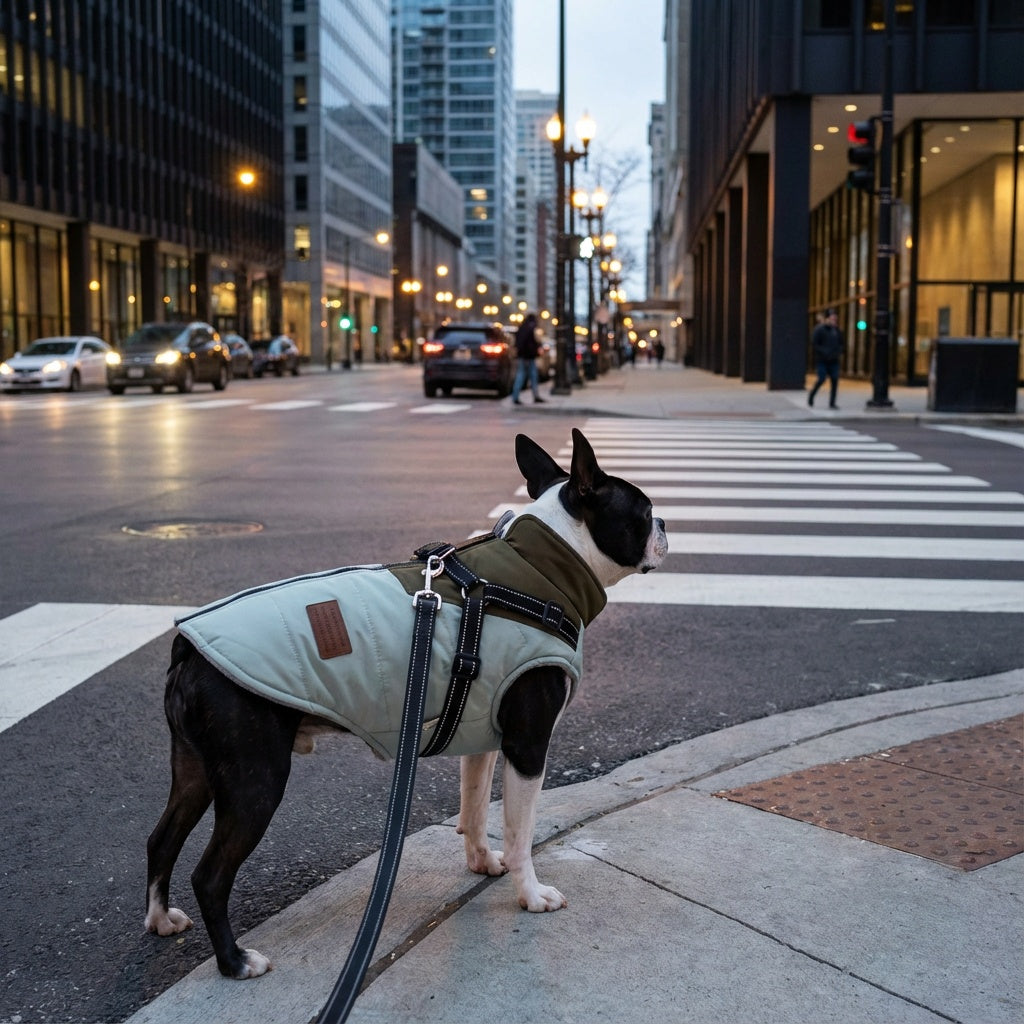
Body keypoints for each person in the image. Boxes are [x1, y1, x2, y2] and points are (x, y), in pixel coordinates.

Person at [808, 308, 844, 409]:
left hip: (834, 360)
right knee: (821, 379)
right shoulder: (819, 329)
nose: (834, 321)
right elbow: (814, 343)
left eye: (835, 319)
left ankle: (832, 403)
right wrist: (823, 352)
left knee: (835, 380)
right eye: (832, 318)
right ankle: (812, 395)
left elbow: (841, 343)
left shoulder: (837, 330)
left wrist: (838, 352)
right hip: (822, 360)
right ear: (827, 318)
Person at [511, 313, 544, 405]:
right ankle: (531, 396)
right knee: (528, 376)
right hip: (528, 357)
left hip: (524, 356)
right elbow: (529, 343)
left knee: (525, 375)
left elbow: (518, 343)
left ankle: (516, 396)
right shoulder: (529, 329)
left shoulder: (522, 328)